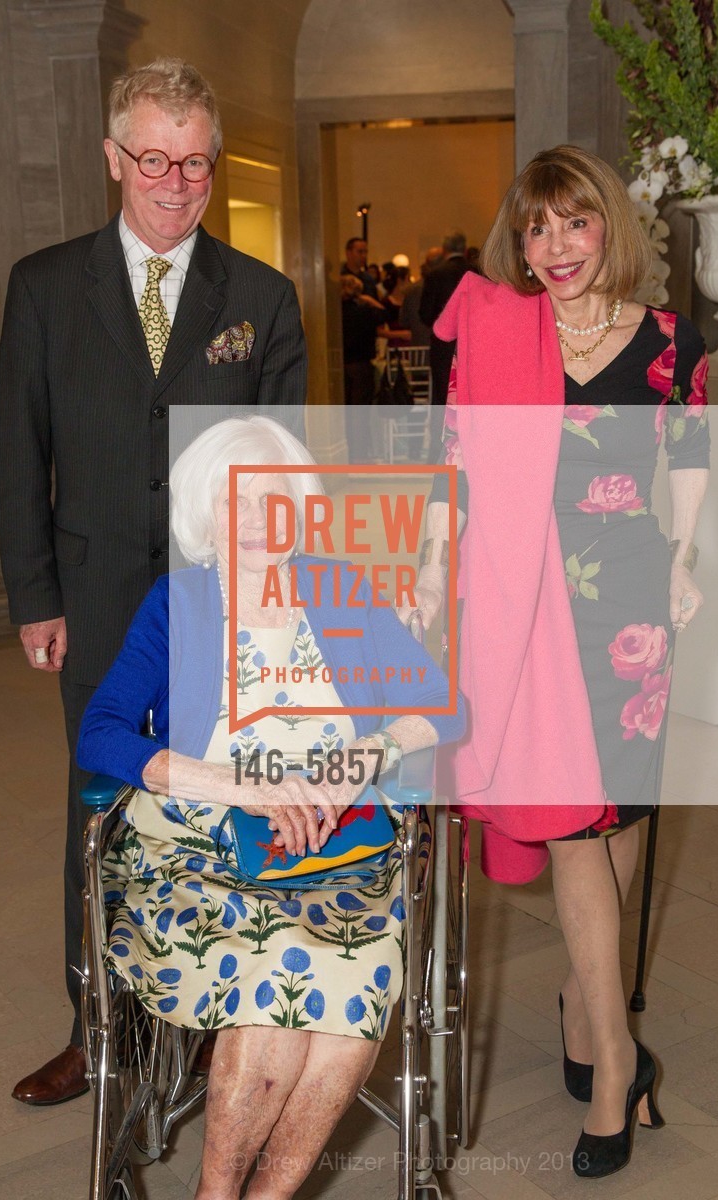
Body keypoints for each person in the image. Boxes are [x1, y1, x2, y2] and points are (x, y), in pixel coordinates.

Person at [0, 57, 307, 1106]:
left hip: (217, 609)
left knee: (215, 804)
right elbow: (14, 446)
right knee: (101, 812)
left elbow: (282, 462)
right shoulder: (43, 286)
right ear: (112, 157)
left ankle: (214, 1017)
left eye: (196, 163)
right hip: (87, 595)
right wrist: (35, 593)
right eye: (153, 159)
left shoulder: (259, 297)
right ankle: (97, 1027)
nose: (175, 183)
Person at [401, 145, 709, 1178]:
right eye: (535, 229)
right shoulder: (495, 333)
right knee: (577, 826)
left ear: (606, 226)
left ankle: (584, 992)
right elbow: (449, 460)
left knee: (617, 816)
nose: (555, 247)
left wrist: (689, 560)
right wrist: (431, 573)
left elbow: (696, 454)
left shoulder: (668, 340)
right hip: (527, 607)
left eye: (573, 223)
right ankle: (615, 1056)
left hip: (631, 611)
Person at [77, 415, 465, 1199]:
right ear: (203, 513)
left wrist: (360, 761)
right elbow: (101, 732)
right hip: (198, 851)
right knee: (281, 973)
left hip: (334, 844)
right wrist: (242, 788)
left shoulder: (340, 590)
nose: (256, 522)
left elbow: (447, 705)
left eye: (274, 499)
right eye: (235, 502)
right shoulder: (177, 603)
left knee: (351, 984)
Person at [419, 230, 476, 458]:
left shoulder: (435, 275)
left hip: (444, 347)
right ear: (464, 249)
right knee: (472, 397)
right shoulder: (477, 272)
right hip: (474, 344)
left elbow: (425, 314)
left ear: (444, 250)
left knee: (442, 399)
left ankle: (439, 452)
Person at [340, 273, 388, 462]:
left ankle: (347, 452)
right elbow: (386, 315)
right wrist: (371, 301)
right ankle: (359, 454)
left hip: (340, 367)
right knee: (360, 412)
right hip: (361, 366)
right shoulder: (364, 311)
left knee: (342, 412)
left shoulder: (335, 313)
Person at [400, 247, 444, 347]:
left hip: (418, 348)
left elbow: (403, 321)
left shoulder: (412, 290)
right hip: (442, 350)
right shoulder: (450, 287)